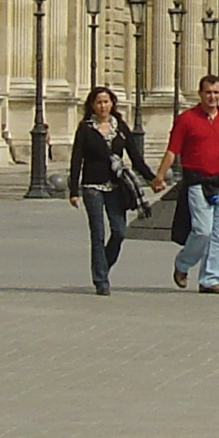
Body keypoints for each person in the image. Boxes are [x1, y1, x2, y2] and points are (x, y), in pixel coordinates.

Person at [67, 86, 155, 294]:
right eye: (98, 102)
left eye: (106, 102)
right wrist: (73, 190)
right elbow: (76, 159)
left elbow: (135, 157)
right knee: (97, 234)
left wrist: (152, 178)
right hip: (92, 187)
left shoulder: (120, 127)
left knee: (119, 231)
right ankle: (101, 280)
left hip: (116, 186)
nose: (103, 106)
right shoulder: (86, 128)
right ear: (92, 106)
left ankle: (102, 267)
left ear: (112, 103)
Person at [166, 74, 219, 293]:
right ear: (200, 94)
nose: (212, 97)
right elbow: (173, 150)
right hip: (197, 182)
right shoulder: (187, 119)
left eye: (216, 92)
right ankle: (182, 264)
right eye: (208, 92)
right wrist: (160, 176)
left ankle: (210, 278)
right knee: (202, 230)